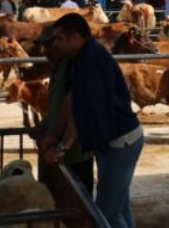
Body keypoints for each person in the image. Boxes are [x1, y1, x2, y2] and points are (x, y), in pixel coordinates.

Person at [46, 13, 143, 228]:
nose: (55, 44)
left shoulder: (91, 59)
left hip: (120, 141)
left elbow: (83, 108)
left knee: (107, 213)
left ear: (75, 38)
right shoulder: (81, 58)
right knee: (118, 208)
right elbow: (74, 102)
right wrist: (56, 137)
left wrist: (63, 145)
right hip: (114, 141)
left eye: (58, 39)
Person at [30, 25, 95, 211]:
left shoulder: (73, 67)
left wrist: (62, 145)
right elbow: (58, 105)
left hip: (74, 150)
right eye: (44, 46)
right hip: (58, 150)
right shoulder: (58, 68)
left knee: (79, 205)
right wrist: (45, 125)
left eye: (50, 45)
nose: (46, 51)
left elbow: (76, 106)